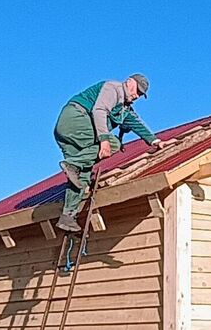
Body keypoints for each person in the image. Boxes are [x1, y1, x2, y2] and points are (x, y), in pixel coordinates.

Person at [54, 74, 162, 233]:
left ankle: (68, 217)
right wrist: (104, 138)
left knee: (81, 175)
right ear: (129, 82)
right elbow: (99, 110)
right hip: (75, 119)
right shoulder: (114, 88)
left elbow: (137, 124)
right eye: (137, 91)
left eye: (140, 94)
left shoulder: (125, 110)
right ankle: (73, 164)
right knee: (113, 143)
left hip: (68, 132)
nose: (137, 96)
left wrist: (155, 141)